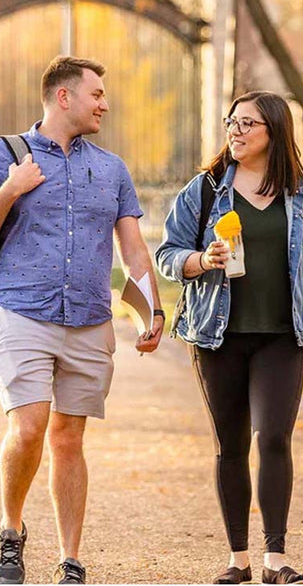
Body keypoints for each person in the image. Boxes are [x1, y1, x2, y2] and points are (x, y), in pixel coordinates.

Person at [155, 91, 303, 584]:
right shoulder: (204, 190)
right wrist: (199, 261)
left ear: (273, 132)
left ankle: (275, 559)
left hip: (283, 336)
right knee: (231, 443)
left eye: (247, 124)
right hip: (217, 337)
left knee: (276, 437)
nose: (235, 131)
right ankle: (238, 559)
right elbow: (168, 253)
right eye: (231, 122)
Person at [0, 56, 164, 584]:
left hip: (90, 319)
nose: (105, 104)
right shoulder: (7, 155)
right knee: (28, 428)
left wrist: (151, 309)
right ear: (63, 97)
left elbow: (134, 250)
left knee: (69, 437)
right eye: (96, 94)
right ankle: (9, 532)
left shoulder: (112, 169)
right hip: (22, 309)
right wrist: (10, 189)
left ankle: (70, 558)